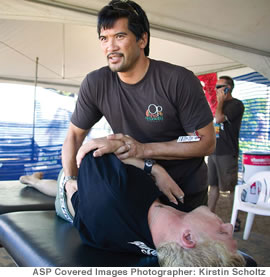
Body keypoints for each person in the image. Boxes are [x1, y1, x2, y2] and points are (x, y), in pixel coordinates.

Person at [62, 0, 216, 215]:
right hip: (135, 187)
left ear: (142, 39)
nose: (110, 47)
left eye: (120, 36)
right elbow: (73, 136)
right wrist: (70, 179)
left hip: (183, 191)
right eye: (104, 38)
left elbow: (205, 141)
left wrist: (144, 149)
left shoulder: (178, 80)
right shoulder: (96, 83)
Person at [20, 137, 245, 267]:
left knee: (59, 187)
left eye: (223, 234)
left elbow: (92, 149)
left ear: (187, 237)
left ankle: (31, 180)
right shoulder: (170, 235)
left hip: (73, 198)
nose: (229, 226)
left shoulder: (112, 194)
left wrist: (153, 168)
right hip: (97, 203)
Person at [208, 76, 245, 230]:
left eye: (220, 87)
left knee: (230, 188)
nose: (216, 90)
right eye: (216, 86)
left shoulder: (236, 105)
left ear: (228, 88)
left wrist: (221, 101)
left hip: (227, 153)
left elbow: (218, 118)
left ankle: (235, 219)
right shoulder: (219, 105)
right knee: (213, 186)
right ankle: (209, 216)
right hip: (214, 151)